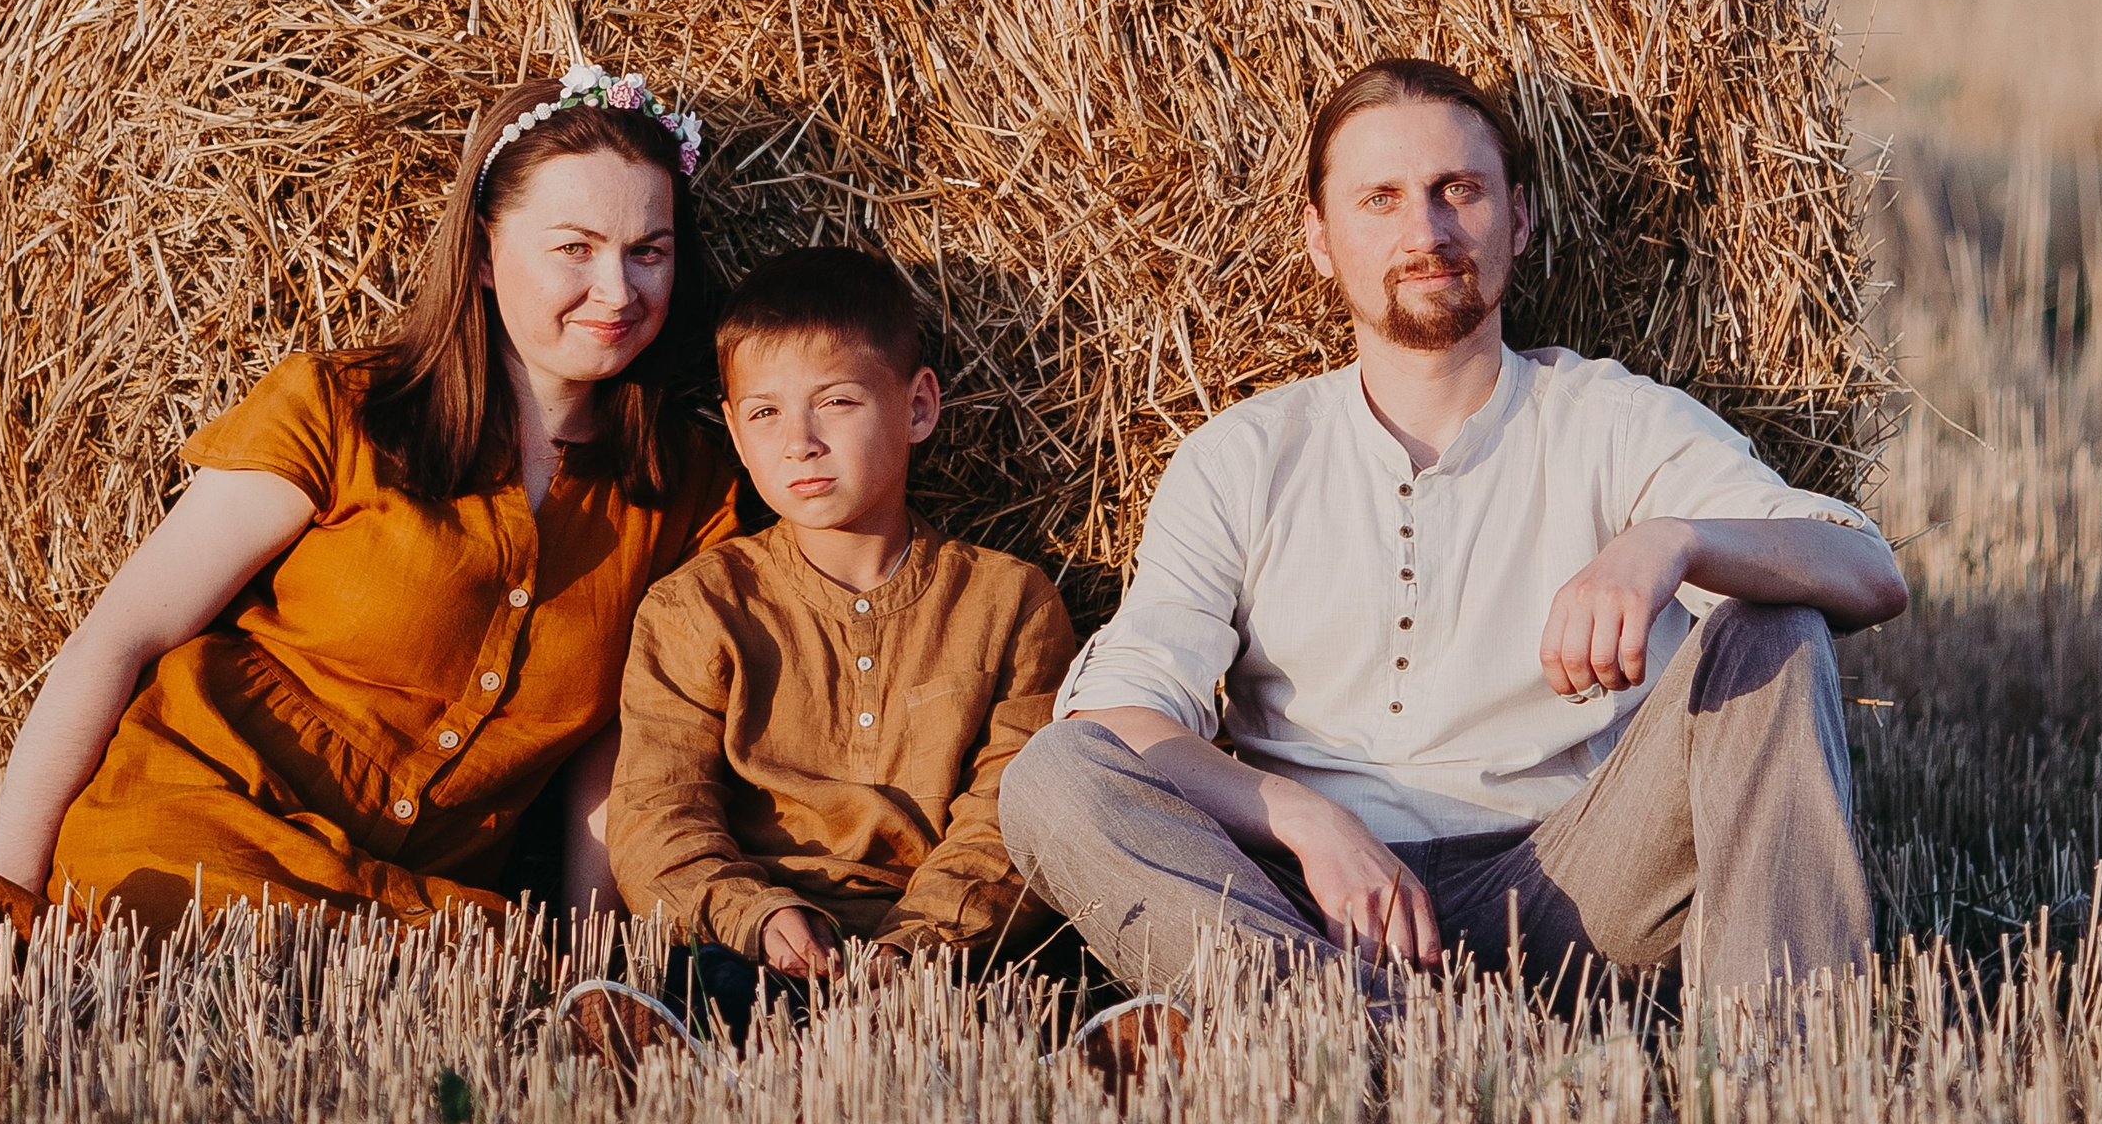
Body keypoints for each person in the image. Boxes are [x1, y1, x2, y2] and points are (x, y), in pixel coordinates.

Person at [998, 58, 1907, 1019]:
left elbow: (1865, 571)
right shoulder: (1243, 457)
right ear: (1318, 237)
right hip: (1312, 913)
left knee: (1775, 634)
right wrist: (1310, 822)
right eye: (1380, 200)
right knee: (1056, 774)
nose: (1425, 234)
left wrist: (1674, 542)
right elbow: (1121, 716)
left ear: (1518, 219)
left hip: (1578, 892)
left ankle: (1777, 1071)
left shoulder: (1610, 418)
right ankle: (1373, 1038)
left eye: (1457, 191)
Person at [0, 64, 738, 945]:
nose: (620, 291)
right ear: (481, 254)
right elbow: (121, 634)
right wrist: (3, 898)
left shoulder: (691, 495)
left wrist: (596, 950)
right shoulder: (342, 410)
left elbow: (614, 745)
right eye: (574, 248)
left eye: (648, 251)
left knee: (502, 996)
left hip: (405, 906)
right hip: (199, 829)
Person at [585, 246, 1075, 1061]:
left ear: (918, 407)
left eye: (836, 402)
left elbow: (1011, 818)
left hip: (943, 947)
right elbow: (657, 816)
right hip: (749, 941)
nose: (800, 441)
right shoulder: (696, 605)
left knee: (1029, 988)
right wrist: (759, 916)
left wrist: (912, 947)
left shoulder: (1010, 602)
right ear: (736, 433)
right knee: (707, 992)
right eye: (765, 414)